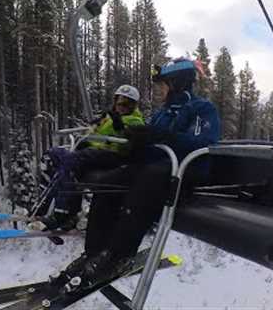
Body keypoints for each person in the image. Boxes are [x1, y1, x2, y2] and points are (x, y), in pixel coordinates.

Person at [50, 58, 220, 289]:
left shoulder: (201, 108)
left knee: (147, 179)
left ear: (178, 83)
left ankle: (118, 255)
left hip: (186, 171)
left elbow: (204, 143)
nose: (159, 90)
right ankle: (94, 253)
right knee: (110, 182)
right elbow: (149, 144)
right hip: (157, 168)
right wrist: (135, 145)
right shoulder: (163, 113)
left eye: (163, 84)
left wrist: (161, 137)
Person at [32, 84, 144, 231]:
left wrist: (120, 127)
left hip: (113, 155)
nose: (121, 106)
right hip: (95, 151)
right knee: (53, 155)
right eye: (119, 101)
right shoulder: (109, 117)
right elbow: (94, 133)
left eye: (126, 103)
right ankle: (45, 204)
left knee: (71, 161)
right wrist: (93, 130)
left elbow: (130, 138)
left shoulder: (135, 121)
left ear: (133, 106)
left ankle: (63, 213)